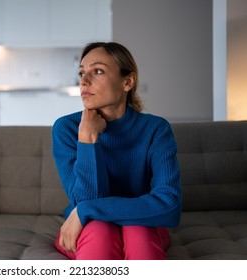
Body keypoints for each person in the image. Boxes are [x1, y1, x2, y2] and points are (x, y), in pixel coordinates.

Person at [51, 42, 182, 260]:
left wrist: (86, 210)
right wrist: (87, 139)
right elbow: (83, 200)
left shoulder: (156, 129)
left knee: (138, 234)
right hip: (89, 228)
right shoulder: (66, 128)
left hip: (140, 223)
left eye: (98, 71)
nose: (83, 80)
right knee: (100, 232)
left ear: (127, 81)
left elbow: (169, 206)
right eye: (82, 72)